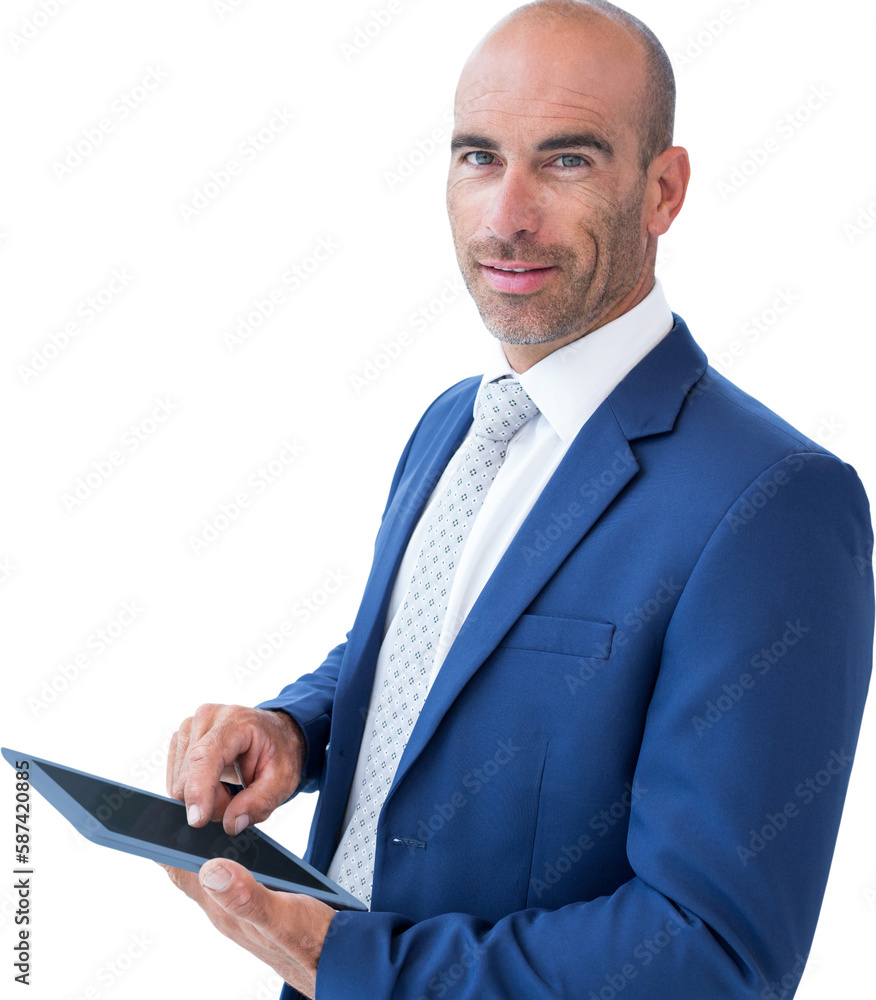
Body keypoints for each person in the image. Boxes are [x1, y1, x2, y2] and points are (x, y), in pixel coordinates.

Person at [162, 1, 874, 997]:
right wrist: (297, 728)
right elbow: (446, 645)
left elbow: (715, 955)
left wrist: (347, 962)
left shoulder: (775, 505)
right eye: (478, 157)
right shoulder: (454, 421)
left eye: (568, 160)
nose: (506, 216)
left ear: (663, 190)